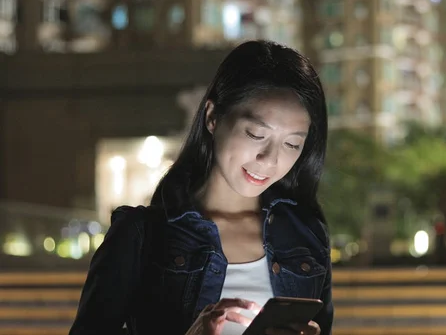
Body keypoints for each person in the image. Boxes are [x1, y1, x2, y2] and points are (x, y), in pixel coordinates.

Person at [69, 40, 333, 335]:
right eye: (256, 134)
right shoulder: (142, 234)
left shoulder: (306, 235)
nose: (270, 160)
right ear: (212, 117)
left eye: (292, 144)